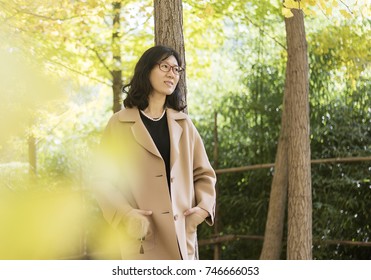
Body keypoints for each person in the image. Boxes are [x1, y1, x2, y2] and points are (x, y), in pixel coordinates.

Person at [94, 45, 216, 260]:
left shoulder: (184, 124)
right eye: (165, 66)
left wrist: (202, 211)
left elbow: (204, 174)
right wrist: (126, 214)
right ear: (147, 70)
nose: (172, 73)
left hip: (181, 237)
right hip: (142, 237)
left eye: (177, 69)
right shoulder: (119, 124)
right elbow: (102, 180)